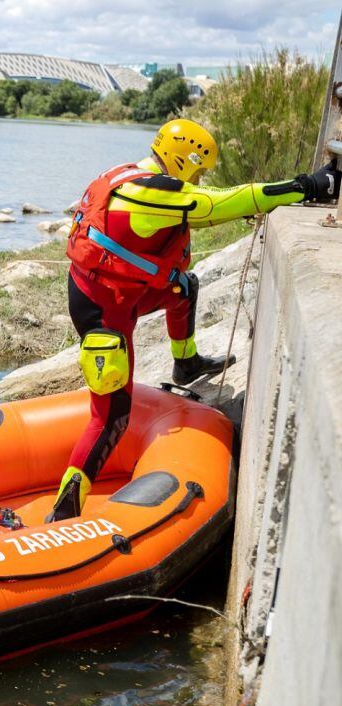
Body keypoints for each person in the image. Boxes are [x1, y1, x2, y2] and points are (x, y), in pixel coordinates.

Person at [49, 119, 341, 522]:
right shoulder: (148, 190)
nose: (201, 176)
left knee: (182, 286)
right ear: (185, 158)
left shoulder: (128, 175)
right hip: (103, 311)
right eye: (199, 168)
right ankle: (65, 508)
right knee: (111, 416)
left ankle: (185, 363)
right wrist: (309, 185)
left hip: (122, 291)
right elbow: (219, 203)